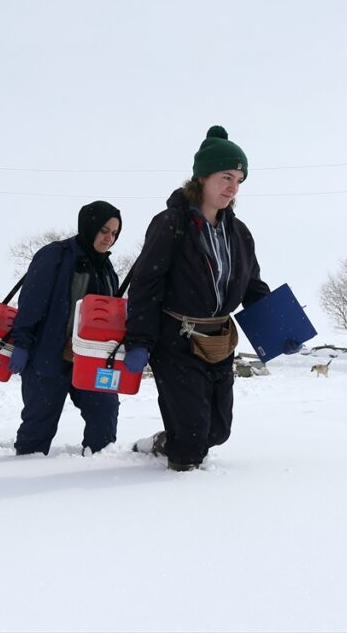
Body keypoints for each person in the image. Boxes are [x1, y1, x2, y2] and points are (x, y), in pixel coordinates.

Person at [123, 126, 300, 472]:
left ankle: (163, 439)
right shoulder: (171, 223)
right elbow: (146, 283)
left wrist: (281, 332)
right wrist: (139, 340)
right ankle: (179, 471)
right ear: (202, 177)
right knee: (191, 444)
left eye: (239, 180)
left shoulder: (239, 233)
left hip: (219, 341)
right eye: (226, 176)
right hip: (176, 340)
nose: (233, 187)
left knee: (217, 431)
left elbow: (253, 288)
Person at [8, 201, 123, 456]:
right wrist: (22, 343)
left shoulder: (107, 269)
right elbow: (32, 303)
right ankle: (20, 484)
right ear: (89, 226)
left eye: (114, 233)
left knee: (104, 417)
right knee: (38, 426)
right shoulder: (56, 256)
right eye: (104, 230)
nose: (109, 238)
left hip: (91, 359)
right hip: (48, 356)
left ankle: (94, 476)